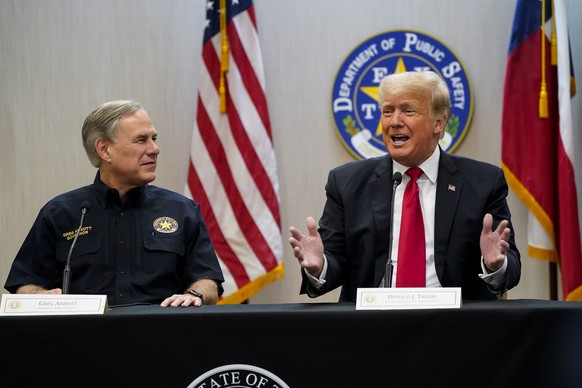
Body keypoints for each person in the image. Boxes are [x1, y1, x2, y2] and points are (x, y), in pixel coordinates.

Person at [289, 71, 521, 302]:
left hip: (454, 326)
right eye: (387, 111)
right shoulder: (347, 182)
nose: (395, 122)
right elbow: (335, 259)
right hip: (371, 327)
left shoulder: (483, 182)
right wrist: (319, 267)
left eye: (408, 111)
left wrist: (495, 265)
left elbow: (510, 267)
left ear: (438, 122)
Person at [4, 100, 224, 307]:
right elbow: (24, 282)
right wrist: (38, 295)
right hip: (82, 339)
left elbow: (208, 280)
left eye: (154, 138)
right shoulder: (60, 213)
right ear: (104, 149)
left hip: (161, 336)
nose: (154, 149)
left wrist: (194, 295)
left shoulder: (182, 210)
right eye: (141, 139)